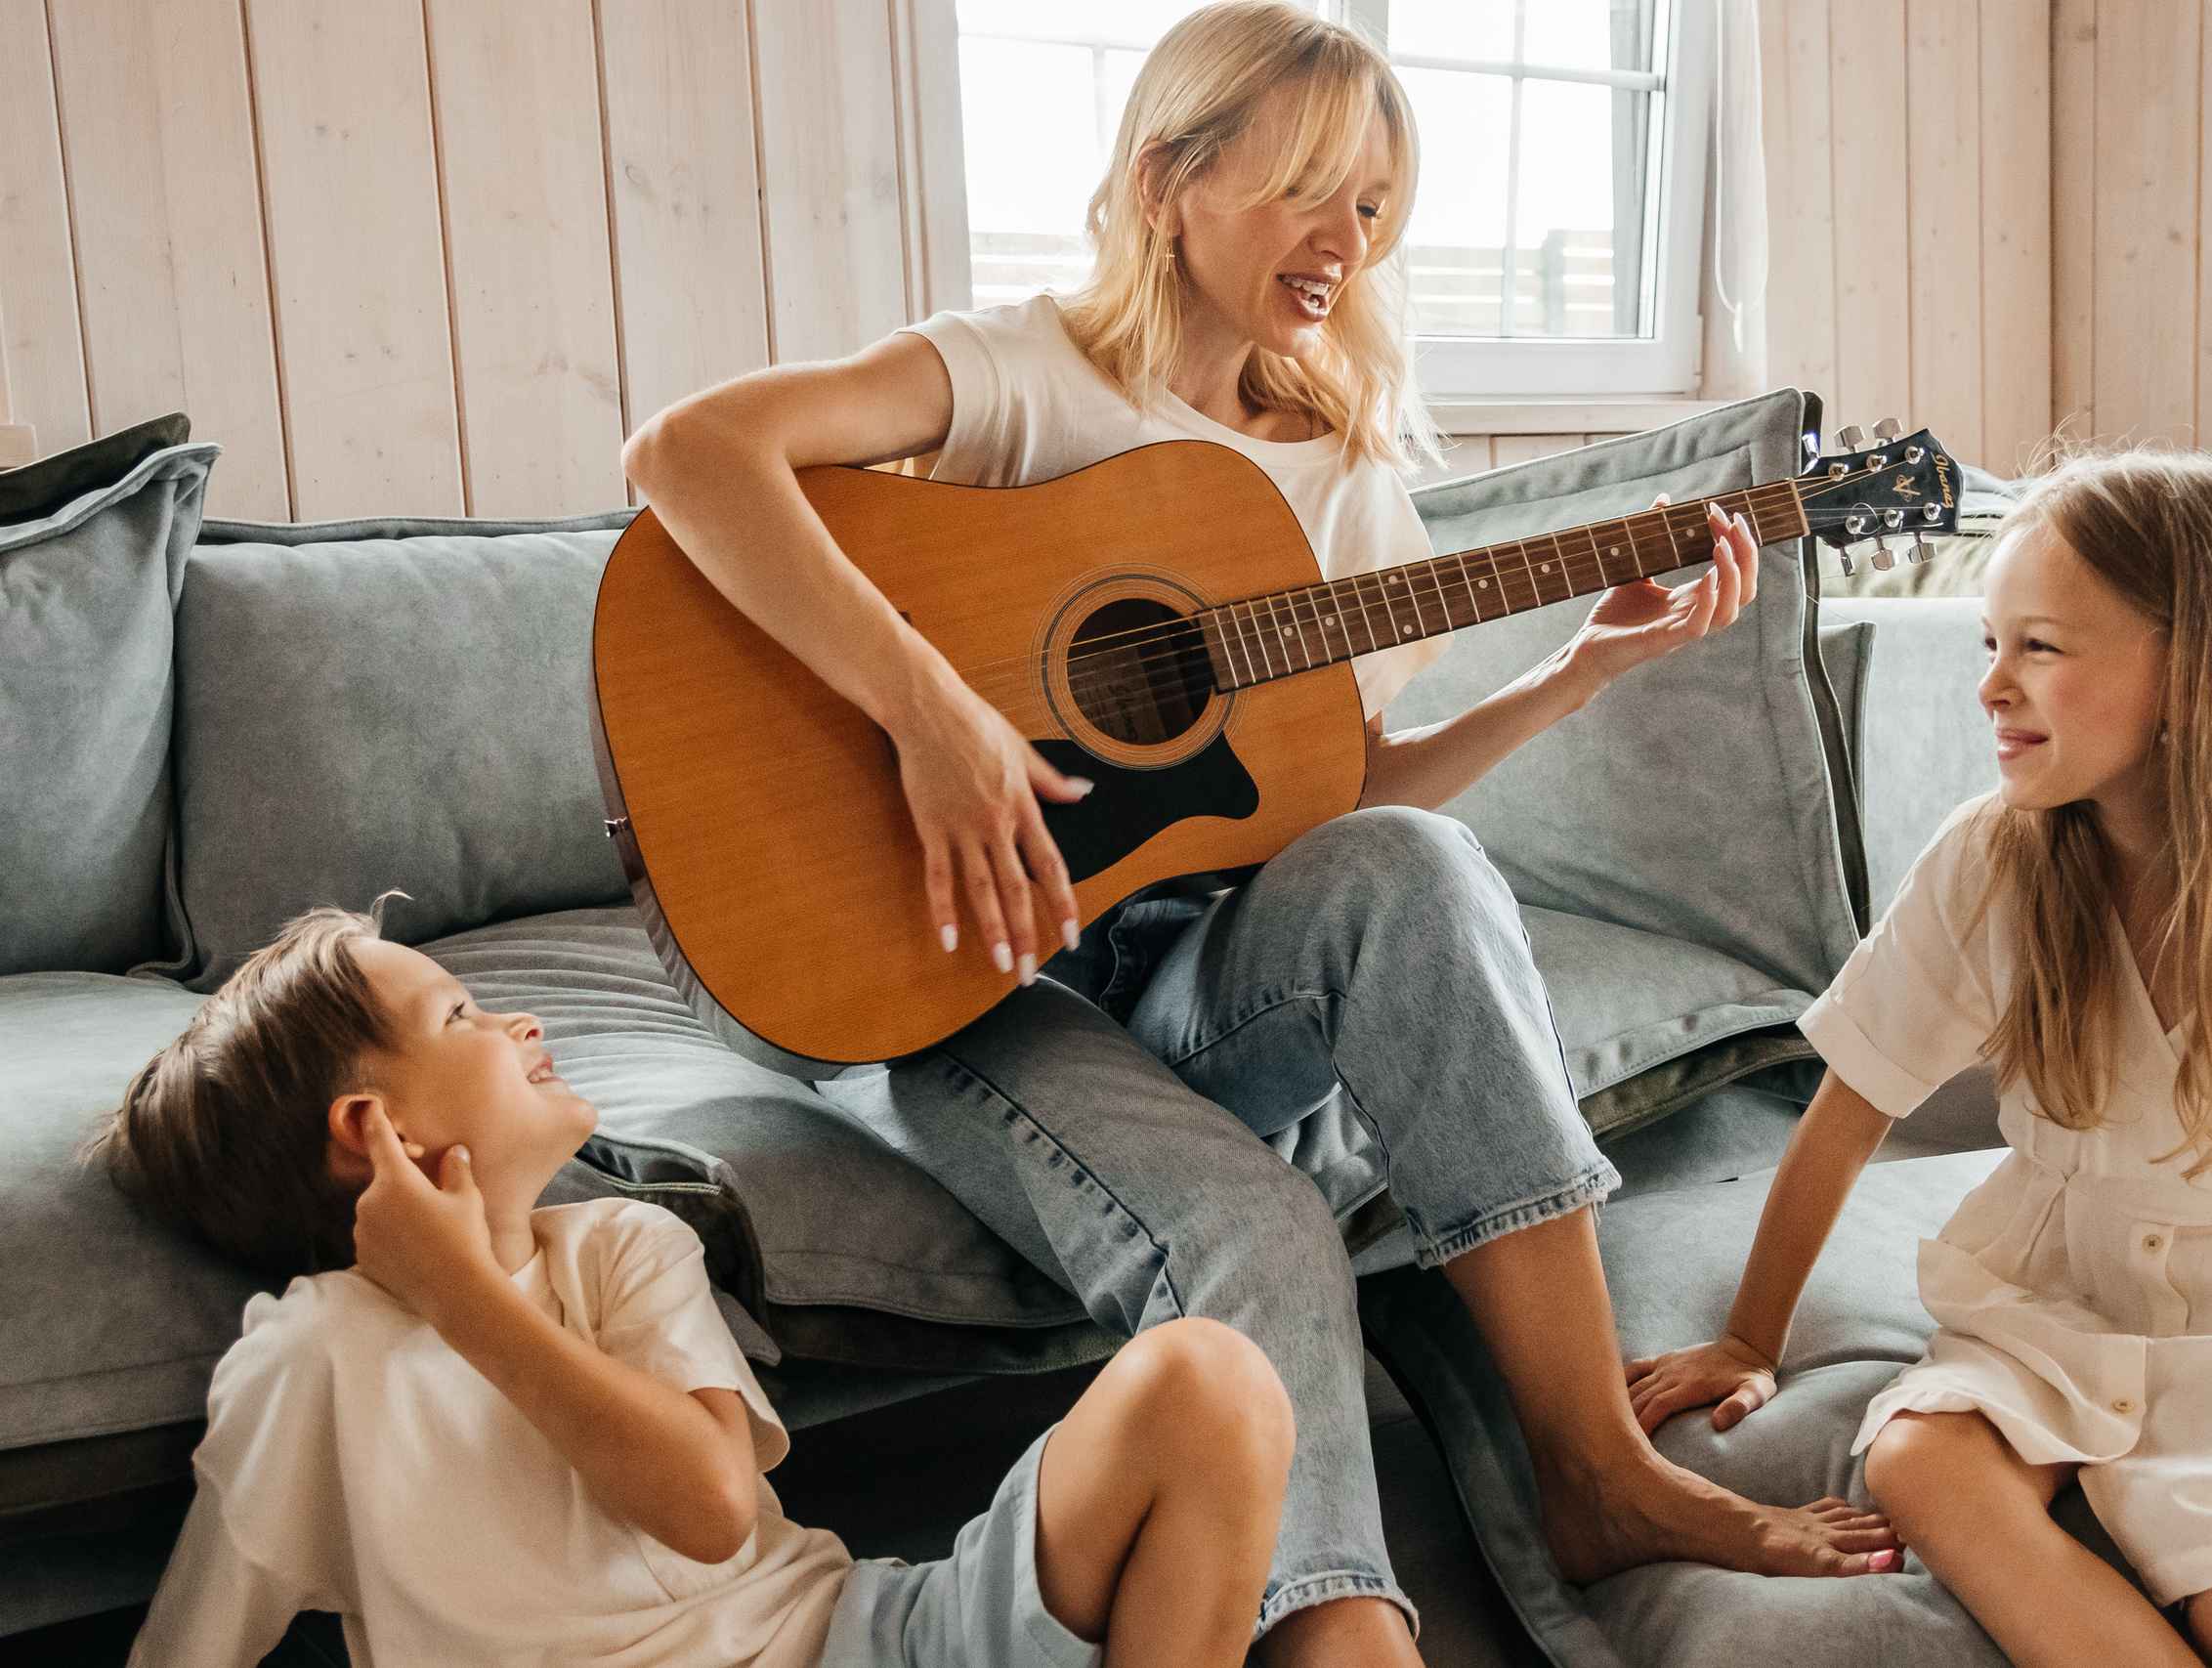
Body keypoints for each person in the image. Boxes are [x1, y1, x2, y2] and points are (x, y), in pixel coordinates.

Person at [621, 2, 1895, 1658]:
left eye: (1374, 205)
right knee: (1261, 1220)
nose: (1343, 240)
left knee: (1419, 864)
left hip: (1184, 975)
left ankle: (1596, 1469)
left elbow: (1338, 810)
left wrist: (1581, 672)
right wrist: (932, 715)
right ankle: (1341, 1632)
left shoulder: (1345, 480)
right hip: (957, 976)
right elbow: (690, 453)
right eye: (1307, 187)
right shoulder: (1019, 373)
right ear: (1170, 179)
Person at [1626, 449, 2212, 1668]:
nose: (1989, 686)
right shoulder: (1993, 856)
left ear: (2191, 673)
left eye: (2037, 646)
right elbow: (1851, 1100)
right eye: (1989, 642)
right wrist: (1749, 1337)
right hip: (2056, 1284)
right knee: (1920, 1458)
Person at [106, 905, 1296, 1667]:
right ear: (375, 1133)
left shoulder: (622, 1246)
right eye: (459, 1015)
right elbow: (192, 1644)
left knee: (1216, 1380)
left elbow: (711, 1506)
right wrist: (449, 1297)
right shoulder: (312, 1355)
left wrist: (470, 1297)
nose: (518, 1019)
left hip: (860, 1645)